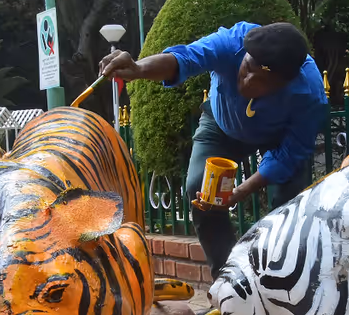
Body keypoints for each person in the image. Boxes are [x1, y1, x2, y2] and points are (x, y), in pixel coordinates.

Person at [99, 21, 326, 278]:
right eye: (247, 68)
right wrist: (138, 68)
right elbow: (186, 57)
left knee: (291, 205)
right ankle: (229, 281)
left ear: (284, 83)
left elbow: (289, 155)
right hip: (221, 125)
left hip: (278, 138)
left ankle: (286, 279)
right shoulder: (233, 42)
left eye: (261, 81)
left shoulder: (308, 92)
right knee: (201, 190)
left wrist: (240, 191)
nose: (248, 81)